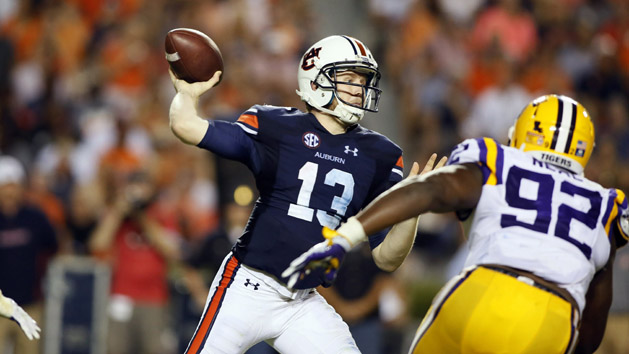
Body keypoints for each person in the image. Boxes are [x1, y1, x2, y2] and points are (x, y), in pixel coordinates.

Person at [284, 94, 629, 354]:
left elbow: (432, 188)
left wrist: (346, 236)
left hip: (481, 291)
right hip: (553, 314)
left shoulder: (497, 158)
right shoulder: (606, 203)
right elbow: (595, 316)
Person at [168, 35, 439, 353]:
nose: (358, 88)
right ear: (316, 79)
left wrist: (413, 207)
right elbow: (186, 126)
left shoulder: (379, 154)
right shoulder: (277, 126)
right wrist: (187, 93)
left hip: (303, 300)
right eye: (348, 78)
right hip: (248, 286)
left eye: (362, 81)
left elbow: (387, 258)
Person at [88, 169, 180, 354]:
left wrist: (142, 218)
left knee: (155, 349)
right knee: (115, 348)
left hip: (154, 300)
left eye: (143, 187)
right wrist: (117, 213)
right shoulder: (118, 216)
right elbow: (97, 245)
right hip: (121, 297)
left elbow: (173, 251)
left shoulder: (161, 215)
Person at [0, 155, 57, 353]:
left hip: (29, 304)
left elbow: (54, 246)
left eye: (12, 185)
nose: (9, 191)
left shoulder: (35, 217)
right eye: (4, 186)